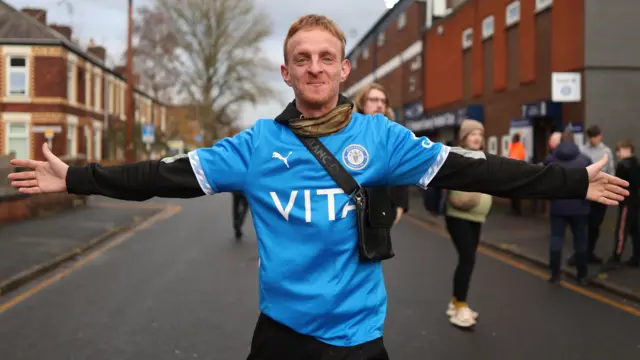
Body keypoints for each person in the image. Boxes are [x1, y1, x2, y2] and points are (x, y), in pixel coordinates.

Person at [8, 14, 628, 360]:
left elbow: (476, 167)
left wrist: (573, 179)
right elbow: (164, 174)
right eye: (301, 58)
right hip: (278, 335)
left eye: (325, 57)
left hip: (358, 339)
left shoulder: (379, 139)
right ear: (286, 71)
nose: (314, 67)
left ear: (343, 68)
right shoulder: (256, 148)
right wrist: (78, 177)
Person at [443, 119, 492, 328]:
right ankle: (460, 306)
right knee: (467, 259)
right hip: (458, 216)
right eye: (472, 134)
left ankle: (455, 303)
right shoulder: (457, 156)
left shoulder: (482, 157)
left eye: (479, 134)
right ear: (464, 137)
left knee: (469, 259)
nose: (477, 138)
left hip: (476, 218)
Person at [353, 83, 408, 225]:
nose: (379, 104)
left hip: (384, 207)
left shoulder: (393, 134)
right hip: (354, 208)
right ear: (361, 103)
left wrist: (401, 205)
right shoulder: (351, 133)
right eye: (374, 100)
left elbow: (402, 170)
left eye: (383, 101)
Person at [542, 130, 592, 284]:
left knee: (556, 240)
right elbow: (591, 182)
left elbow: (544, 182)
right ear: (574, 141)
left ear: (561, 141)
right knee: (580, 241)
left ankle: (555, 275)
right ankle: (582, 276)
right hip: (580, 207)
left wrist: (552, 198)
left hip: (558, 207)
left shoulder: (550, 160)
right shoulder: (585, 160)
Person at [579, 125, 615, 265]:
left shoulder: (606, 151)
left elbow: (611, 171)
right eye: (591, 137)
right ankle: (580, 254)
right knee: (582, 225)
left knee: (595, 226)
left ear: (600, 136)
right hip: (585, 193)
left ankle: (589, 253)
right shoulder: (582, 150)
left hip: (600, 193)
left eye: (595, 136)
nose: (593, 140)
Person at [608, 139, 640, 268]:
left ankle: (616, 256)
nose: (617, 153)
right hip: (636, 201)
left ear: (628, 149)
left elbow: (617, 183)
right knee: (635, 230)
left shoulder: (622, 165)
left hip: (626, 202)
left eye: (619, 150)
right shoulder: (637, 163)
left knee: (621, 229)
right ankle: (636, 257)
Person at [507, 133, 526, 215]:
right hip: (512, 171)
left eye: (514, 138)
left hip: (516, 172)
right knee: (512, 192)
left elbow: (516, 158)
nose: (513, 139)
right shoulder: (513, 146)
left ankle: (517, 210)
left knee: (516, 193)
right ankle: (513, 209)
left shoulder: (519, 147)